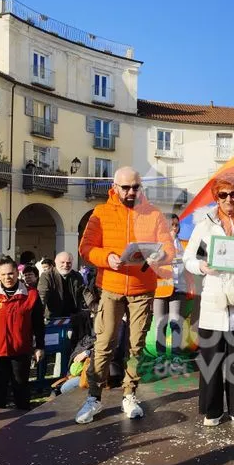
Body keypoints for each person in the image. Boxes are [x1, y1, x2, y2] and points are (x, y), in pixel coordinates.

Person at [75, 166, 173, 424]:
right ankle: (94, 397)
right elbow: (86, 248)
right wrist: (107, 258)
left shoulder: (153, 213)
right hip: (110, 286)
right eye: (126, 187)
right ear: (115, 187)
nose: (131, 192)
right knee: (104, 343)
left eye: (135, 187)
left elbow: (169, 249)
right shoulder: (101, 212)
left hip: (143, 288)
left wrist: (159, 255)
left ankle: (130, 394)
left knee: (136, 345)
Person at [183, 172, 234, 427]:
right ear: (217, 197)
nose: (229, 199)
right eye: (224, 194)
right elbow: (188, 259)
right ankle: (212, 410)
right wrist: (202, 267)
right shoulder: (204, 225)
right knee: (211, 361)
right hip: (214, 302)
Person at [0, 258, 45, 410]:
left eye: (11, 273)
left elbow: (38, 324)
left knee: (21, 388)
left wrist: (39, 346)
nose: (8, 277)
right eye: (4, 274)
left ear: (17, 273)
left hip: (20, 349)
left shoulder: (31, 295)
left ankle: (23, 423)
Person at [152, 214, 188, 355]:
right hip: (161, 288)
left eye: (176, 225)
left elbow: (193, 260)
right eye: (171, 225)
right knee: (160, 324)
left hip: (179, 287)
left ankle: (175, 356)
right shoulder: (156, 245)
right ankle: (160, 356)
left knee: (176, 324)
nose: (174, 228)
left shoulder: (185, 244)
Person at [37, 252, 85, 319]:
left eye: (69, 263)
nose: (65, 265)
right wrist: (38, 314)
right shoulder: (47, 276)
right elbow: (42, 295)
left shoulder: (77, 276)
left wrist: (93, 305)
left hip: (74, 317)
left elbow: (85, 292)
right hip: (53, 317)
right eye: (62, 262)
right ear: (56, 262)